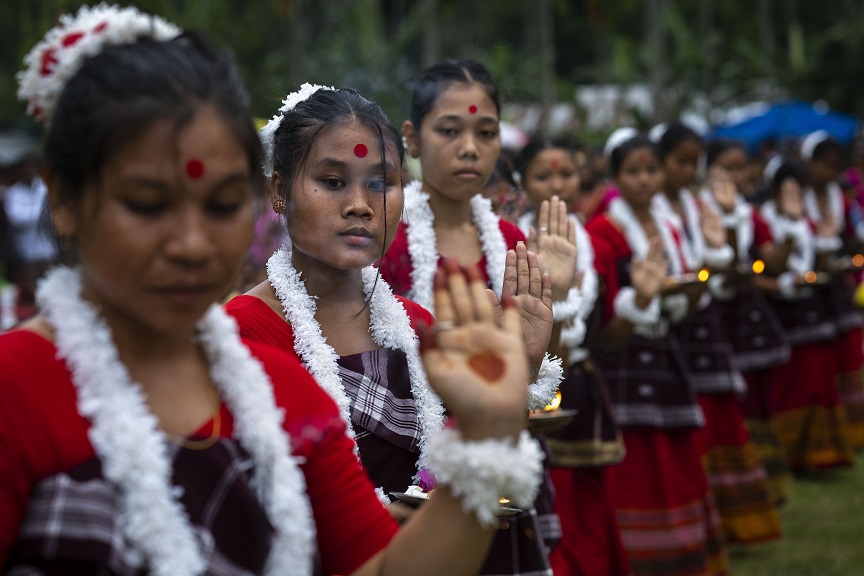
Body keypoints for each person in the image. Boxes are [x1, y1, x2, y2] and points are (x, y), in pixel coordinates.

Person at [0, 6, 545, 575]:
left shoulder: (277, 391)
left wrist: (486, 434)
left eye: (222, 203)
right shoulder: (13, 388)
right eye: (147, 203)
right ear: (62, 199)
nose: (192, 242)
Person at [226, 81, 559, 575]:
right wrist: (362, 523)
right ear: (278, 190)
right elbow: (237, 509)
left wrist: (518, 375)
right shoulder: (242, 335)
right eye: (333, 181)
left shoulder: (420, 327)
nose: (360, 204)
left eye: (381, 182)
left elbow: (468, 462)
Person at [586, 129, 728, 576]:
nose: (645, 180)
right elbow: (604, 327)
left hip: (666, 349)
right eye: (633, 171)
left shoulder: (669, 223)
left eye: (651, 169)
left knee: (675, 455)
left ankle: (682, 550)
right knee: (637, 461)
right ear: (615, 178)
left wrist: (695, 285)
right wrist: (642, 301)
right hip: (623, 361)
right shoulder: (602, 232)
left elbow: (685, 293)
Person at [652, 123, 782, 545]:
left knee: (720, 419)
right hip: (670, 328)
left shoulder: (697, 204)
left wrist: (723, 226)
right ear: (660, 162)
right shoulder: (651, 208)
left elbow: (720, 265)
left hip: (704, 323)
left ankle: (731, 520)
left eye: (695, 162)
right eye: (680, 161)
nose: (689, 170)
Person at [513, 137, 629, 576]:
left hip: (581, 377)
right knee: (551, 493)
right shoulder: (514, 240)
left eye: (567, 173)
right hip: (533, 379)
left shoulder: (594, 241)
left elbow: (607, 323)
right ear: (522, 183)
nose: (557, 184)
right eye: (544, 176)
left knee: (589, 498)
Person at [701, 139, 793, 506]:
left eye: (741, 168)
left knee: (759, 403)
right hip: (716, 323)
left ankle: (763, 482)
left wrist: (792, 221)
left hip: (750, 320)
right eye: (727, 168)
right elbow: (726, 268)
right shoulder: (701, 212)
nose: (736, 176)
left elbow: (773, 264)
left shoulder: (750, 213)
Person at [761, 157, 855, 471]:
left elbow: (821, 265)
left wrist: (827, 238)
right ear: (773, 191)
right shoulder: (764, 221)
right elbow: (766, 267)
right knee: (791, 386)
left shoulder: (807, 221)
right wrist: (785, 283)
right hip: (782, 316)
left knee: (818, 382)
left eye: (798, 192)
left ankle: (821, 453)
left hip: (813, 314)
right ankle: (791, 453)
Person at [801, 131, 864, 449]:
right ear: (809, 164)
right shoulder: (797, 200)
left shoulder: (841, 198)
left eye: (835, 167)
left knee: (851, 353)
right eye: (825, 165)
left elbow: (852, 235)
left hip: (840, 284)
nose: (830, 173)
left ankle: (855, 428)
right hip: (810, 289)